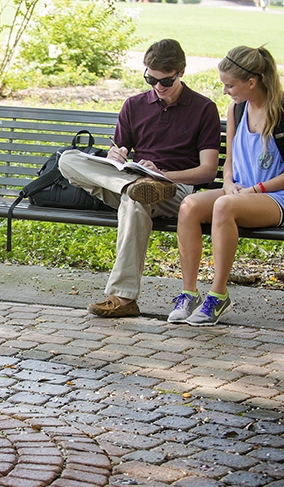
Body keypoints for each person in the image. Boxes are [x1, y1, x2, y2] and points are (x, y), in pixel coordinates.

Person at [58, 39, 221, 318]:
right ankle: (135, 187)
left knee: (134, 203)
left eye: (165, 81)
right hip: (133, 180)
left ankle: (122, 298)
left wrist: (162, 175)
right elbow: (117, 152)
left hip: (174, 188)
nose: (158, 86)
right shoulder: (134, 105)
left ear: (181, 72)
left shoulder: (203, 109)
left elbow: (207, 171)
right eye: (151, 78)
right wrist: (117, 156)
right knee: (68, 159)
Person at [168, 46, 284, 326]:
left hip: (277, 197)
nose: (225, 91)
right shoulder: (237, 108)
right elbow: (229, 161)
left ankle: (218, 295)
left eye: (229, 85)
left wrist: (254, 190)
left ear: (252, 82)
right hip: (239, 192)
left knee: (223, 205)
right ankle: (188, 294)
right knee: (189, 206)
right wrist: (229, 181)